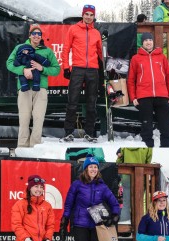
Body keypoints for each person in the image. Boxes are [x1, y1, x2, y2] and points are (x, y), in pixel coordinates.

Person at [6, 23, 60, 148]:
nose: (36, 36)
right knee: (24, 119)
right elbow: (9, 63)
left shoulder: (47, 51)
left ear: (41, 36)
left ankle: (35, 148)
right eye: (34, 33)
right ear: (29, 35)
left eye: (39, 34)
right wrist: (23, 70)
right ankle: (22, 148)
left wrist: (42, 69)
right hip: (24, 89)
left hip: (40, 89)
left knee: (38, 119)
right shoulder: (20, 47)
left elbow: (56, 69)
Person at [62, 4, 102, 143]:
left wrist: (103, 69)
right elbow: (66, 49)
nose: (89, 17)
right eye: (87, 14)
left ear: (93, 16)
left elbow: (100, 53)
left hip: (92, 70)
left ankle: (89, 133)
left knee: (92, 103)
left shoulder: (96, 33)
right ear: (82, 15)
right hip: (78, 69)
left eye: (91, 15)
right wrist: (66, 67)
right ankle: (68, 133)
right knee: (72, 101)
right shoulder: (73, 29)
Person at [127, 32, 169, 147]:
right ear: (142, 43)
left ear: (153, 42)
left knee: (165, 127)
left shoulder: (162, 57)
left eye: (150, 40)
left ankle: (167, 150)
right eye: (146, 40)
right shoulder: (136, 58)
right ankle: (148, 150)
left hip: (162, 96)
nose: (148, 42)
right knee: (146, 127)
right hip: (144, 97)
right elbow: (131, 80)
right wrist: (133, 97)